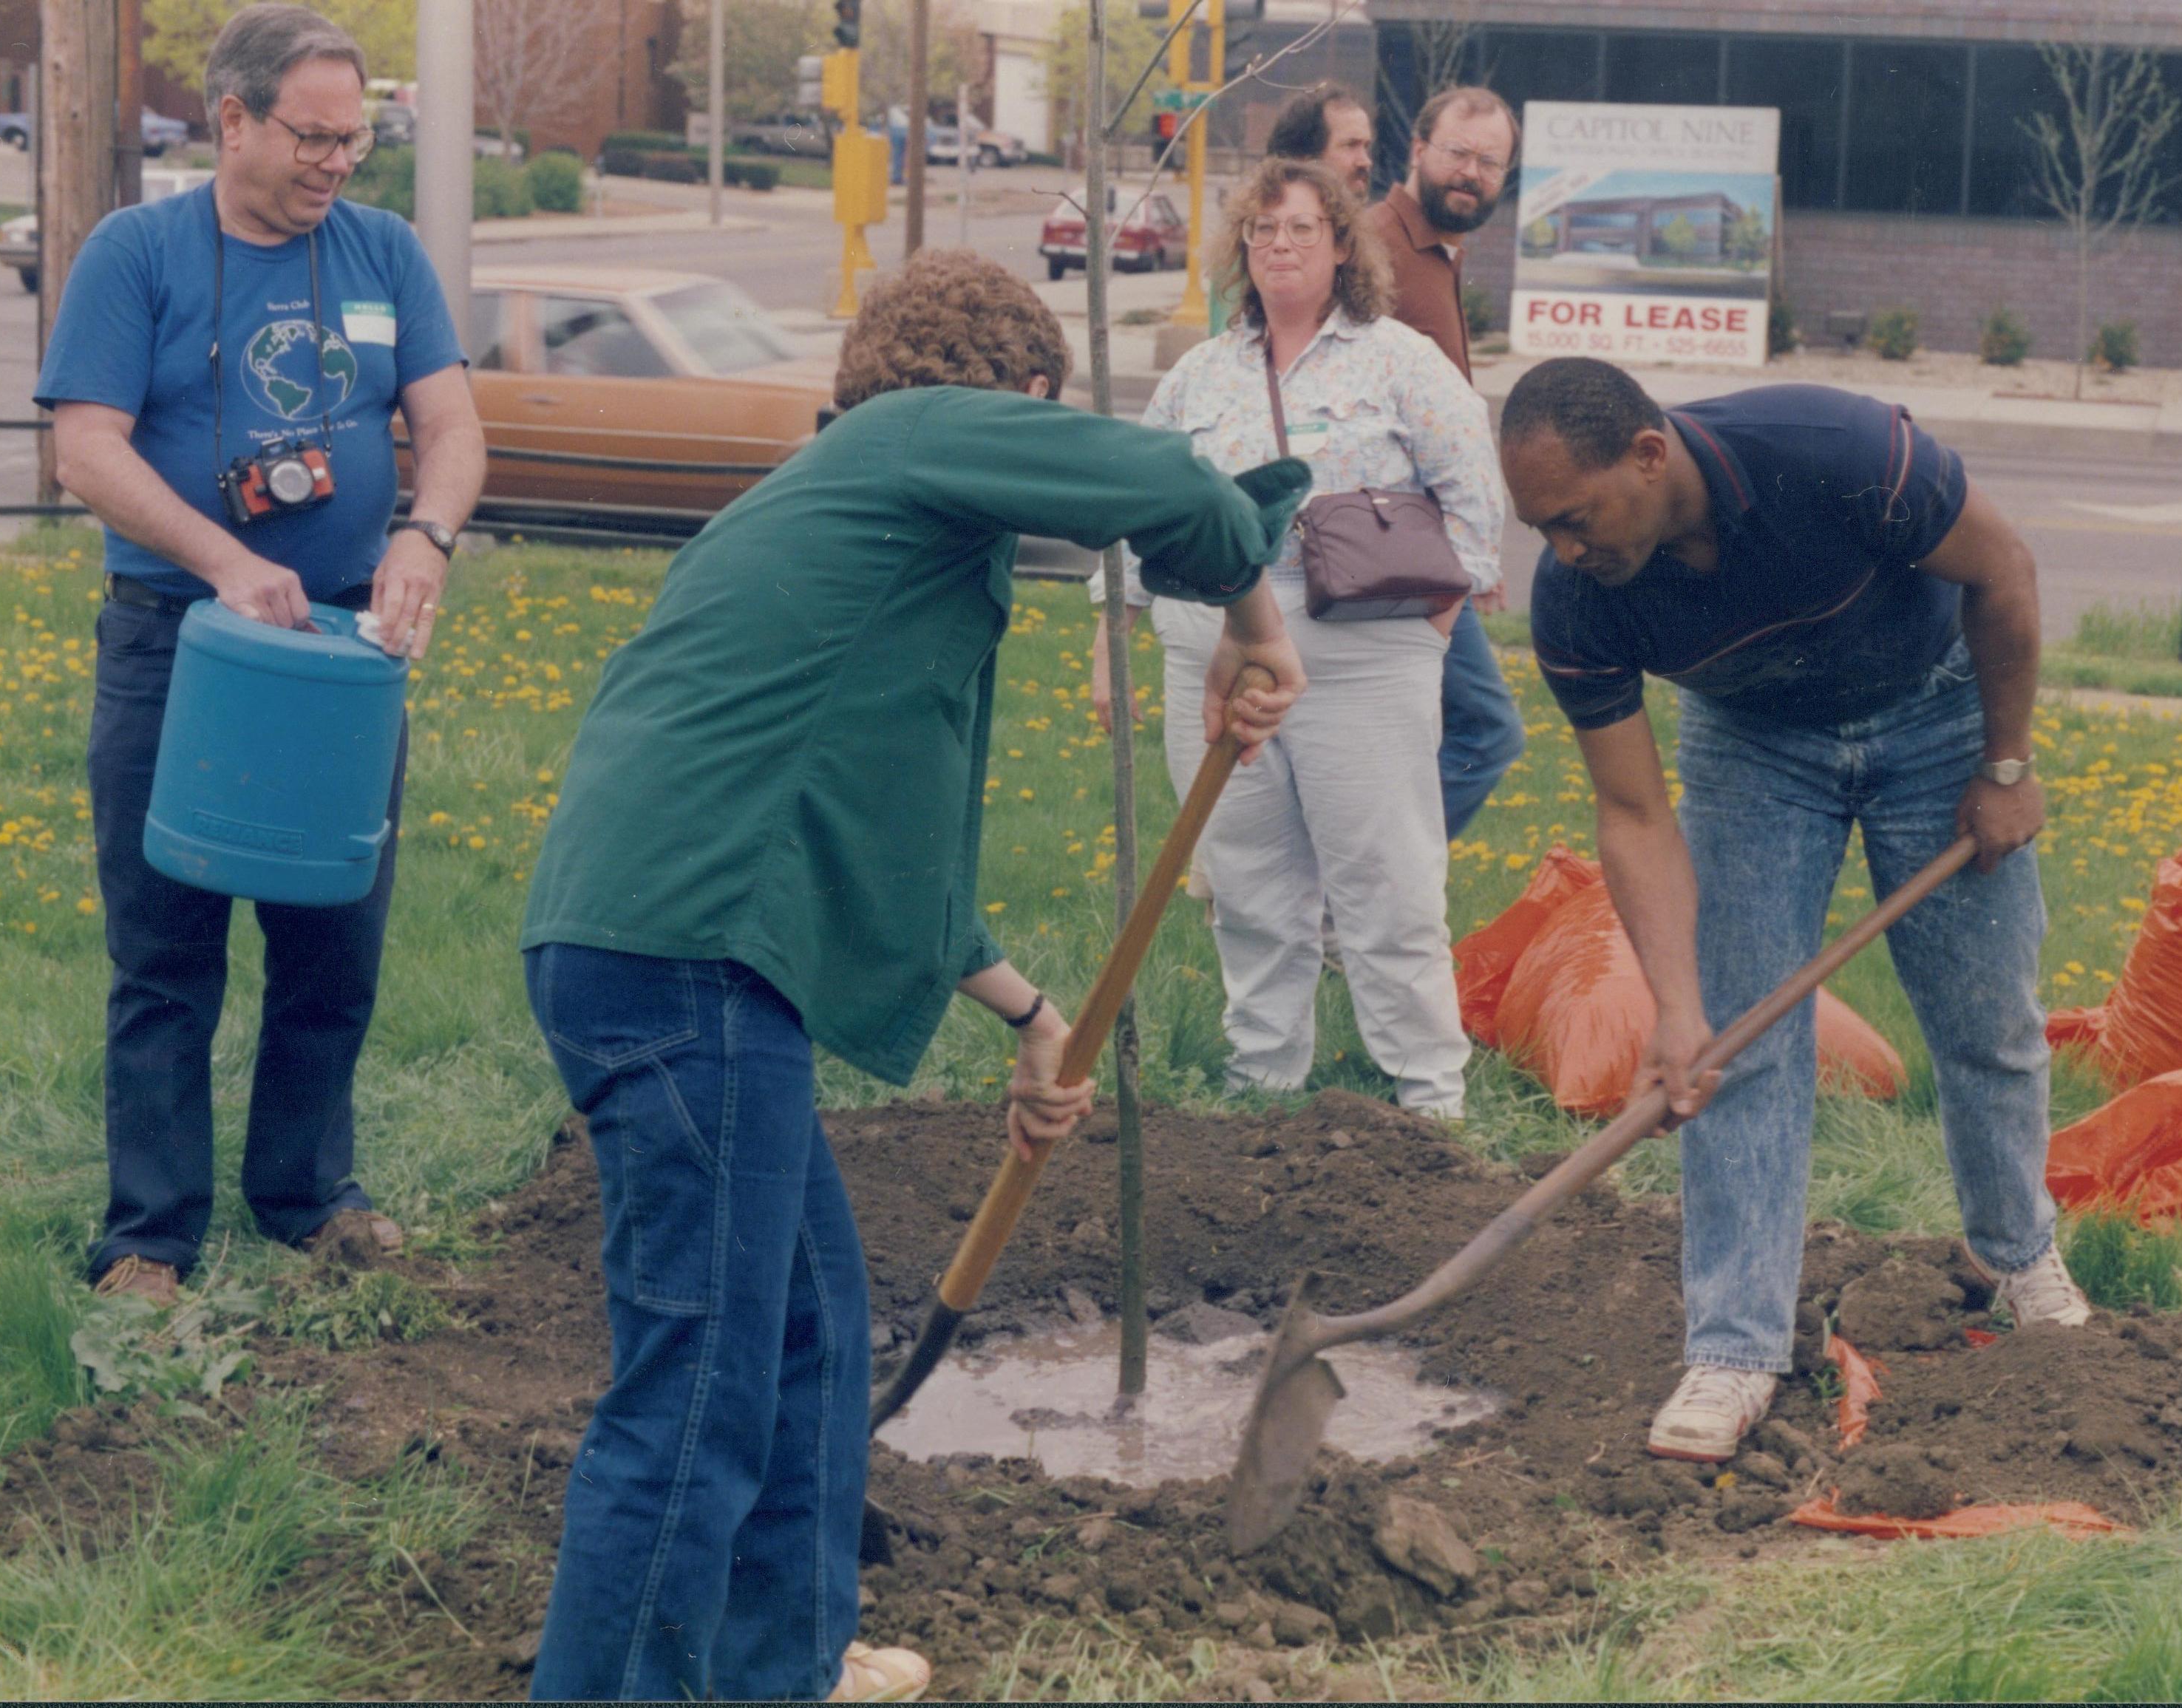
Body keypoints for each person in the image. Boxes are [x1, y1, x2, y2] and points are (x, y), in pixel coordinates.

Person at [515, 248, 1308, 1704]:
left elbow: (879, 826)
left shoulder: (857, 527)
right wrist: (1256, 628)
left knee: (808, 1337)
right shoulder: (914, 434)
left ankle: (778, 1666)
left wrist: (1028, 1015)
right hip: (682, 964)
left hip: (667, 950)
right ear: (1010, 396)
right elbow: (1168, 484)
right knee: (695, 1385)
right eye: (1034, 418)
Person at [1498, 358, 2090, 1464]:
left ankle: (2015, 1258)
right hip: (1752, 746)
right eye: (1541, 528)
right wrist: (1675, 1009)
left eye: (1572, 518)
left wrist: (2004, 765)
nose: (1562, 549)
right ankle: (1732, 1347)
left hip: (1931, 713)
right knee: (1739, 1039)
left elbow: (2000, 567)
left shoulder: (1834, 449)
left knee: (1986, 1022)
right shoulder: (1577, 599)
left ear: (1646, 453)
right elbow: (1630, 813)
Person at [38, 2, 485, 1307]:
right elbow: (87, 447)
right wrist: (224, 563)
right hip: (175, 640)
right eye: (312, 138)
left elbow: (451, 426)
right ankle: (149, 1236)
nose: (337, 163)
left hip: (342, 639)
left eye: (357, 139)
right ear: (230, 119)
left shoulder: (386, 252)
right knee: (166, 946)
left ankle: (306, 1194)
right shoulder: (138, 253)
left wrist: (428, 536)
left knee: (332, 941)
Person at [1096, 160, 1503, 1120]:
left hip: (1357, 641)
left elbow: (1473, 492)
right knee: (1247, 873)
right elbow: (1136, 501)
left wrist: (1430, 630)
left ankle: (1425, 1091)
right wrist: (1110, 633)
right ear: (1241, 247)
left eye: (1300, 228)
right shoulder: (1200, 370)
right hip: (1212, 642)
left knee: (1384, 875)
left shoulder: (1396, 358)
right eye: (1261, 229)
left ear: (1338, 245)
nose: (1279, 244)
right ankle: (1261, 1075)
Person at [1364, 85, 1527, 840]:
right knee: (1486, 731)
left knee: (1399, 733)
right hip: (1384, 546)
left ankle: (1342, 894)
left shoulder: (1434, 253)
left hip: (1420, 549)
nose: (1471, 173)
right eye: (1458, 153)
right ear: (1417, 150)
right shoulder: (1373, 251)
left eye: (1489, 163)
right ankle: (1360, 891)